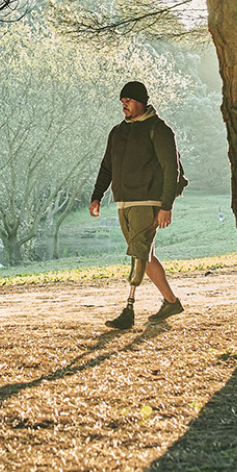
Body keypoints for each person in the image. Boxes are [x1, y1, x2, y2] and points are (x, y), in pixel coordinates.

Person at [89, 81, 186, 330]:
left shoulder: (159, 129)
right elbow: (106, 167)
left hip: (147, 201)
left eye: (128, 101)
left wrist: (166, 205)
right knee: (144, 254)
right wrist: (97, 196)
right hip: (124, 201)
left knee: (138, 252)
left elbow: (171, 169)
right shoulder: (117, 132)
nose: (124, 106)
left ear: (141, 101)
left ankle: (128, 310)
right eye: (122, 102)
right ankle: (171, 302)